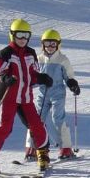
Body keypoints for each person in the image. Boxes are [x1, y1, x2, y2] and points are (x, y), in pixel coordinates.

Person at [0, 19, 53, 173]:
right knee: (5, 127)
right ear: (12, 35)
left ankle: (43, 153)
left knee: (36, 124)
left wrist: (41, 78)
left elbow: (32, 74)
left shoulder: (30, 53)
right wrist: (6, 79)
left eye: (26, 36)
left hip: (26, 98)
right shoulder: (5, 53)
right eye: (19, 35)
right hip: (8, 97)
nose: (22, 39)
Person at [24, 29, 81, 161]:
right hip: (43, 94)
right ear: (42, 45)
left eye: (53, 44)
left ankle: (65, 148)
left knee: (57, 119)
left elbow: (69, 75)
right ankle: (32, 147)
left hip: (57, 94)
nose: (50, 47)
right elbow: (32, 76)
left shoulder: (62, 59)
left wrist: (72, 84)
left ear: (58, 45)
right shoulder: (38, 59)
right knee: (36, 119)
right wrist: (33, 82)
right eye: (47, 44)